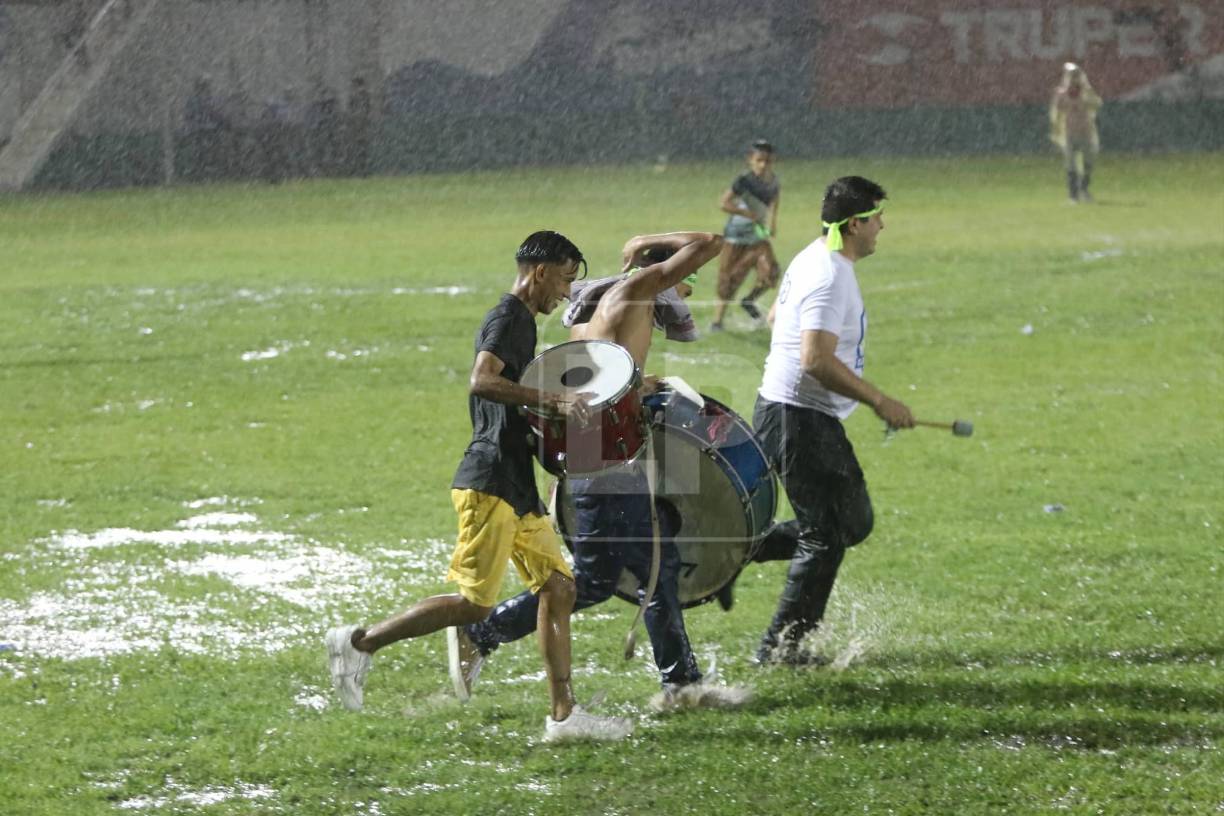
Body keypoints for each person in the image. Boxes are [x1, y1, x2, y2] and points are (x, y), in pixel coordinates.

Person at [326, 231, 633, 743]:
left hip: (515, 481)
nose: (564, 292)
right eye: (563, 279)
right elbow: (482, 380)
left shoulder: (525, 324)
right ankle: (360, 643)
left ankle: (564, 716)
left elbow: (511, 403)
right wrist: (553, 402)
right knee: (475, 605)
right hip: (490, 480)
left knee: (559, 588)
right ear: (539, 272)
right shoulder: (509, 318)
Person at [455, 231, 751, 711]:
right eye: (686, 280)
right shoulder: (635, 290)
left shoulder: (610, 305)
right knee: (607, 578)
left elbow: (597, 383)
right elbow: (709, 240)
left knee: (648, 568)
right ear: (668, 274)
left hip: (598, 454)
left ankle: (681, 683)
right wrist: (645, 243)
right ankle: (484, 630)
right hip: (602, 459)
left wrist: (639, 385)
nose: (691, 291)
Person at [751, 176, 914, 665]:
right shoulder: (829, 274)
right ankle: (780, 650)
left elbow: (778, 319)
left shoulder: (815, 257)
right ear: (855, 223)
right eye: (877, 216)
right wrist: (879, 400)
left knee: (852, 521)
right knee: (825, 536)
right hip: (797, 419)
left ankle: (738, 549)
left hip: (796, 416)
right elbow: (815, 360)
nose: (882, 225)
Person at [710, 139, 781, 332]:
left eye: (767, 161)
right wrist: (746, 214)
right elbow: (724, 203)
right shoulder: (744, 181)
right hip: (735, 237)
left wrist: (772, 222)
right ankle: (717, 321)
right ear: (750, 160)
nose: (763, 165)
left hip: (757, 238)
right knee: (728, 280)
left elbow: (775, 200)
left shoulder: (774, 181)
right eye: (759, 160)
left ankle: (749, 301)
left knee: (771, 273)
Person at [1049, 63, 1103, 203]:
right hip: (1069, 133)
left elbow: (1097, 104)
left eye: (1075, 76)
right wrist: (1055, 129)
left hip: (1086, 132)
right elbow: (1056, 113)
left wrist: (1088, 93)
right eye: (1070, 76)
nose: (1073, 79)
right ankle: (1073, 195)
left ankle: (1084, 189)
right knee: (1071, 164)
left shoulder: (1086, 92)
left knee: (1088, 163)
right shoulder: (1062, 94)